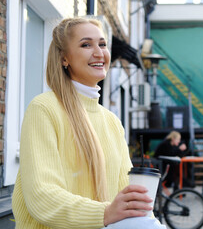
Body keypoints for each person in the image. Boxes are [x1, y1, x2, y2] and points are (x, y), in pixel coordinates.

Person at [12, 17, 165, 229]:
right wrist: (106, 212)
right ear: (64, 58)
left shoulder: (112, 122)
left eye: (102, 44)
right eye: (86, 44)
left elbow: (124, 195)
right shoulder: (44, 108)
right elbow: (42, 197)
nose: (99, 52)